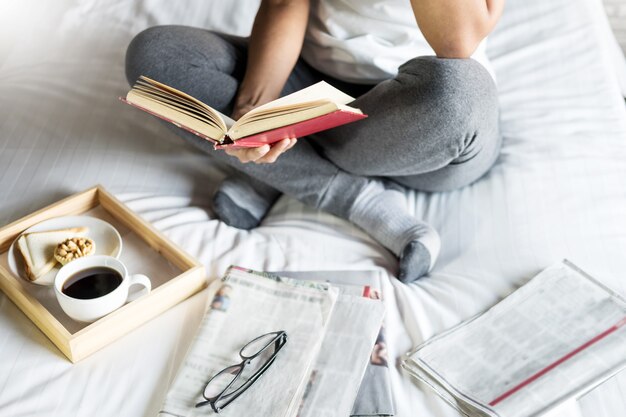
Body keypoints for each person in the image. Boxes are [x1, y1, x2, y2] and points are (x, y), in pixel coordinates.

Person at [125, 0, 504, 283]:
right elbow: (285, 2)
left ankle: (295, 173)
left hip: (422, 126)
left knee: (458, 98)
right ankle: (354, 196)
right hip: (311, 88)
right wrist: (255, 112)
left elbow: (457, 42)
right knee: (156, 59)